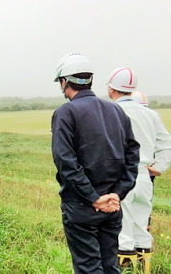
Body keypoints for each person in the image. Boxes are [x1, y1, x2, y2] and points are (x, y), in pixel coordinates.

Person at [51, 53, 139, 273]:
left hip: (82, 207)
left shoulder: (66, 113)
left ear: (64, 82)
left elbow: (66, 162)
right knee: (110, 265)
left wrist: (93, 198)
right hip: (112, 206)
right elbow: (132, 156)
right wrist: (117, 194)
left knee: (88, 267)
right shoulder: (116, 110)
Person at [106, 67, 171, 273]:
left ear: (111, 89)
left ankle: (125, 269)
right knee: (141, 228)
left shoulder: (111, 112)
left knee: (123, 231)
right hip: (144, 175)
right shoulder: (150, 114)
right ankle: (145, 269)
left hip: (120, 176)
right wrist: (158, 167)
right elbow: (166, 142)